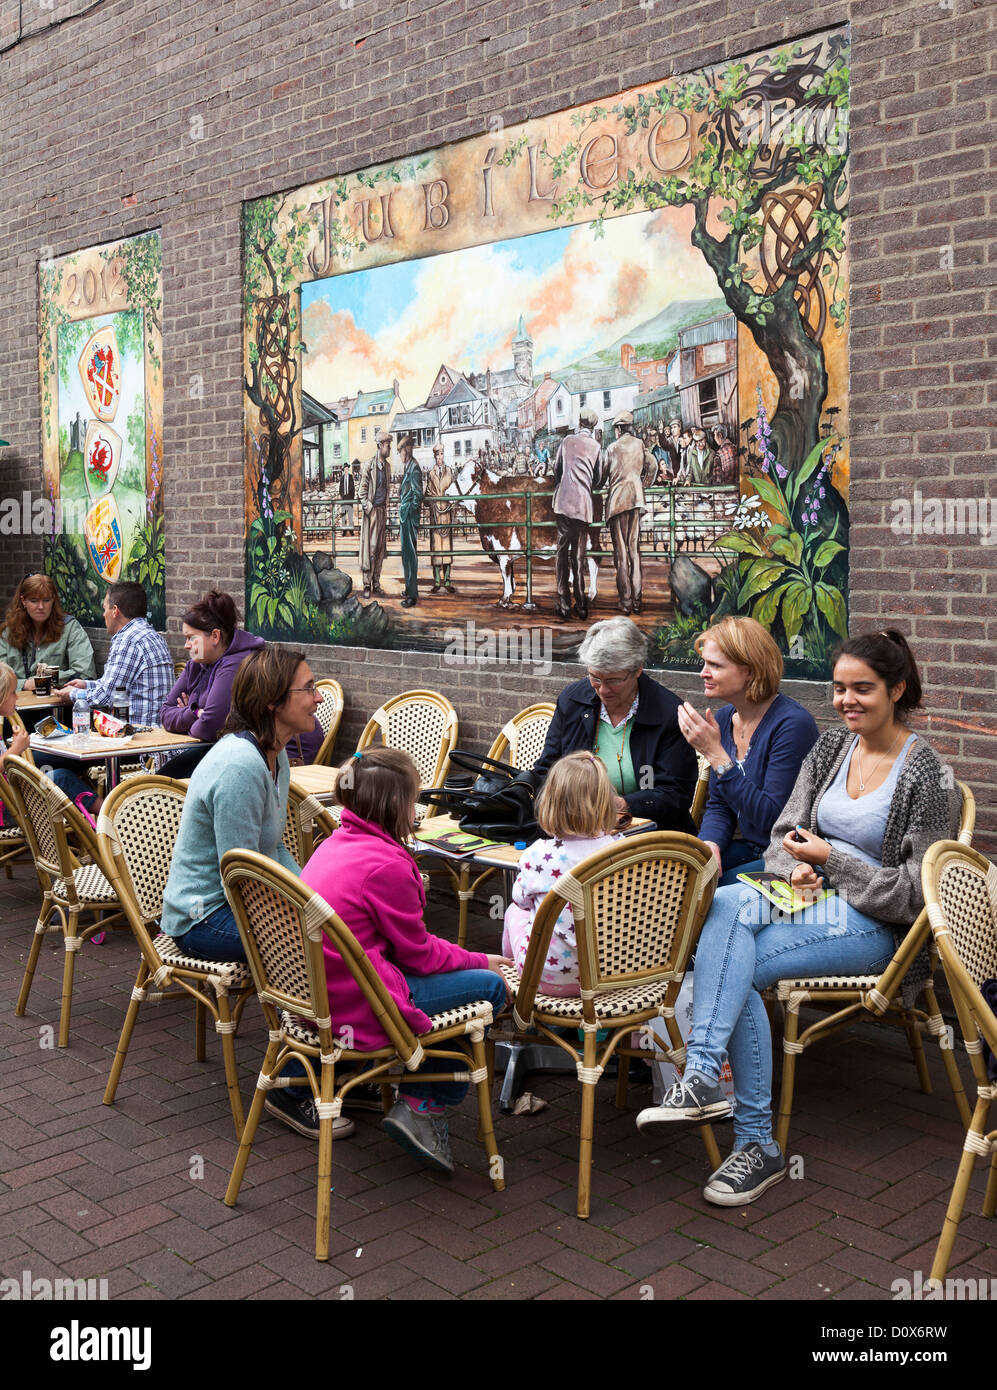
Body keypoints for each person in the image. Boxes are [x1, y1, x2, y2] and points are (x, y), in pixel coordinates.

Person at [636, 630, 960, 1206]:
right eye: (839, 688)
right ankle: (736, 1117)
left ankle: (722, 1102)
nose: (847, 700)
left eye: (863, 689)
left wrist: (831, 860)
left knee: (733, 951)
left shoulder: (927, 775)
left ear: (898, 689)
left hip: (877, 929)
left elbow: (915, 896)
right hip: (808, 901)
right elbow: (783, 834)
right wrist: (795, 870)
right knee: (731, 906)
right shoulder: (832, 750)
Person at [295, 747, 511, 1171]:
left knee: (462, 981)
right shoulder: (386, 864)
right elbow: (420, 956)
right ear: (396, 804)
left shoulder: (334, 842)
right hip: (358, 1005)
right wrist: (481, 960)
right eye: (413, 799)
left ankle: (410, 1082)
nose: (415, 808)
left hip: (312, 997)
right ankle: (422, 1105)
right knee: (491, 989)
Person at [160, 646, 322, 963]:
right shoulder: (241, 767)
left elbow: (271, 850)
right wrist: (307, 918)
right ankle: (313, 1012)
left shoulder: (275, 757)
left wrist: (315, 899)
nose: (318, 698)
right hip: (203, 920)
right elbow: (241, 879)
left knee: (337, 926)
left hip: (235, 903)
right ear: (272, 701)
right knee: (323, 942)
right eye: (309, 688)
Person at [678, 617, 818, 885]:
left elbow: (772, 818)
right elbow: (719, 804)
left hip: (787, 859)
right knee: (674, 881)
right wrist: (711, 844)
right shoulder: (724, 718)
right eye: (704, 663)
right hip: (745, 850)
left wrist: (716, 755)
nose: (703, 673)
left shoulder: (791, 725)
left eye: (715, 665)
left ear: (750, 672)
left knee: (703, 897)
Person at [530, 617, 697, 832]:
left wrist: (622, 805)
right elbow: (548, 768)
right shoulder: (572, 701)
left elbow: (676, 794)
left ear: (638, 669)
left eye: (614, 680)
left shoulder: (668, 713)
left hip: (651, 835)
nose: (603, 690)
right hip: (578, 829)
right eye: (595, 678)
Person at [503, 752, 621, 997]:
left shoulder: (537, 856)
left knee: (514, 911)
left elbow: (520, 901)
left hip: (545, 979)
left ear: (550, 802)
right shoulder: (621, 850)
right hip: (612, 974)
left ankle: (511, 984)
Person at [157, 590, 265, 778]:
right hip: (220, 751)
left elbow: (209, 727)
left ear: (215, 636)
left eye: (191, 638)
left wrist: (192, 719)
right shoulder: (196, 664)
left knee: (162, 783)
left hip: (254, 759)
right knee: (160, 781)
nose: (186, 645)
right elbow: (165, 713)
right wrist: (195, 712)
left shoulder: (235, 664)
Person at [0, 573, 95, 690]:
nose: (41, 607)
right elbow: (1, 678)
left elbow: (85, 674)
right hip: (15, 704)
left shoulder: (69, 628)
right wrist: (25, 684)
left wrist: (43, 680)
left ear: (53, 600)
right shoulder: (8, 631)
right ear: (23, 601)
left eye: (46, 600)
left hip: (56, 703)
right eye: (34, 601)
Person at [604, 411, 657, 616]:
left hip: (617, 502)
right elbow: (651, 466)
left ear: (617, 429)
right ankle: (637, 600)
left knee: (621, 554)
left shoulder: (611, 448)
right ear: (630, 428)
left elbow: (602, 473)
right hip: (636, 500)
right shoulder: (639, 444)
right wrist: (642, 486)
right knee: (634, 551)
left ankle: (625, 601)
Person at [552, 405, 602, 621]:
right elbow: (598, 478)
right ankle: (581, 604)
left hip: (563, 504)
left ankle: (563, 602)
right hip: (583, 507)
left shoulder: (566, 442)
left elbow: (556, 469)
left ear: (579, 423)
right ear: (593, 426)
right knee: (578, 556)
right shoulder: (596, 447)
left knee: (561, 553)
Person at [358, 430, 392, 599]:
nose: (390, 449)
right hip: (372, 513)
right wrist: (368, 508)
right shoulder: (368, 465)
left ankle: (376, 583)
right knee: (369, 550)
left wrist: (385, 508)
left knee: (379, 550)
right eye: (387, 446)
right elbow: (361, 492)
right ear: (380, 446)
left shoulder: (387, 467)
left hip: (382, 512)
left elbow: (387, 490)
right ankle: (366, 583)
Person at [0, 662, 31, 826]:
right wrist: (15, 749)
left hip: (13, 797)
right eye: (13, 692)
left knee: (59, 777)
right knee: (62, 779)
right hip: (10, 806)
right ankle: (107, 827)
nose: (17, 697)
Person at [425, 444, 457, 594]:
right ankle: (437, 581)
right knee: (436, 548)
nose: (439, 458)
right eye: (437, 455)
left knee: (447, 548)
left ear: (444, 455)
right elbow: (427, 493)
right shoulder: (430, 474)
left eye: (441, 454)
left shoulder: (450, 472)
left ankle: (448, 580)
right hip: (435, 515)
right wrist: (431, 500)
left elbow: (455, 492)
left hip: (447, 514)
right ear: (434, 457)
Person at [397, 434, 423, 608]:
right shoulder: (409, 466)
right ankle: (409, 588)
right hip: (406, 516)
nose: (399, 454)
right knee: (406, 555)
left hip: (409, 517)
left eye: (400, 451)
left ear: (406, 450)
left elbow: (418, 495)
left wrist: (410, 511)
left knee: (410, 555)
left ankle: (412, 595)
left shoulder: (413, 468)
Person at [339, 460, 358, 537]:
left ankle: (351, 531)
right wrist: (342, 495)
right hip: (344, 499)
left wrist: (352, 498)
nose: (346, 470)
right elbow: (340, 488)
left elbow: (353, 488)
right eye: (345, 469)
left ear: (348, 469)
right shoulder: (342, 478)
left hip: (349, 498)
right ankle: (344, 531)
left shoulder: (350, 477)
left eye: (347, 468)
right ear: (343, 470)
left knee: (350, 515)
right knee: (343, 515)